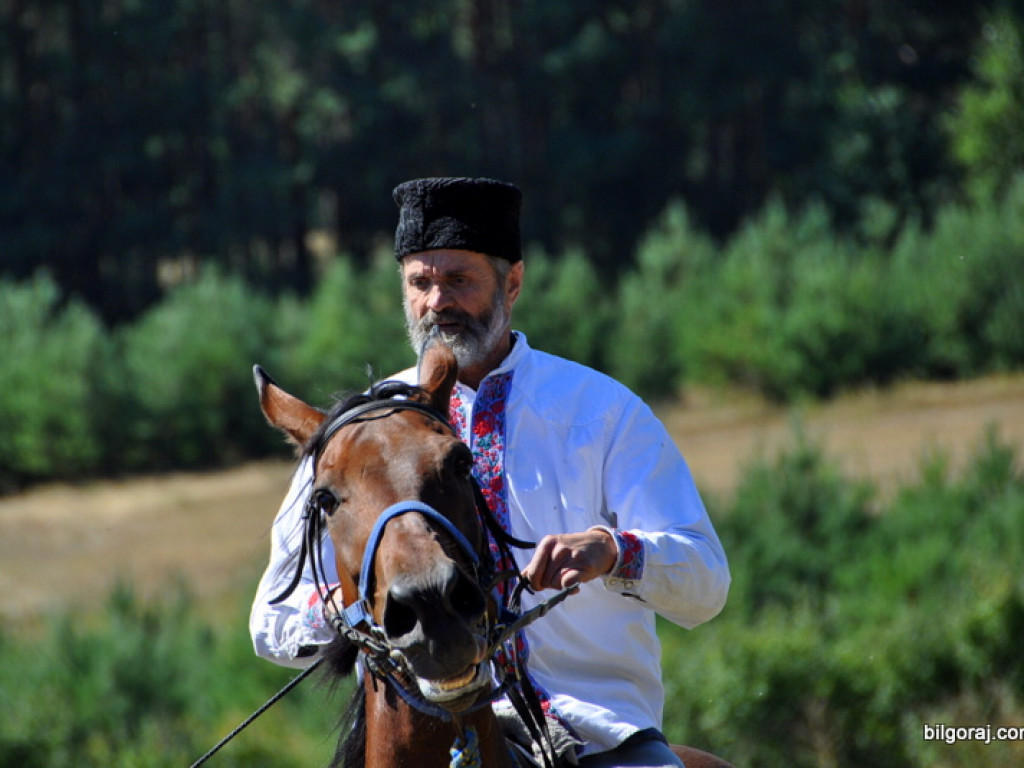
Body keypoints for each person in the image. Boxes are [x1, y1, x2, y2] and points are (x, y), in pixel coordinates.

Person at [250, 177, 730, 767]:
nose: (437, 302)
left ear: (513, 282)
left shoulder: (602, 412)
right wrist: (352, 603)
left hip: (595, 733)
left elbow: (707, 583)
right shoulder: (356, 437)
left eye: (459, 280)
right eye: (420, 283)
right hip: (410, 734)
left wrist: (612, 552)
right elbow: (271, 617)